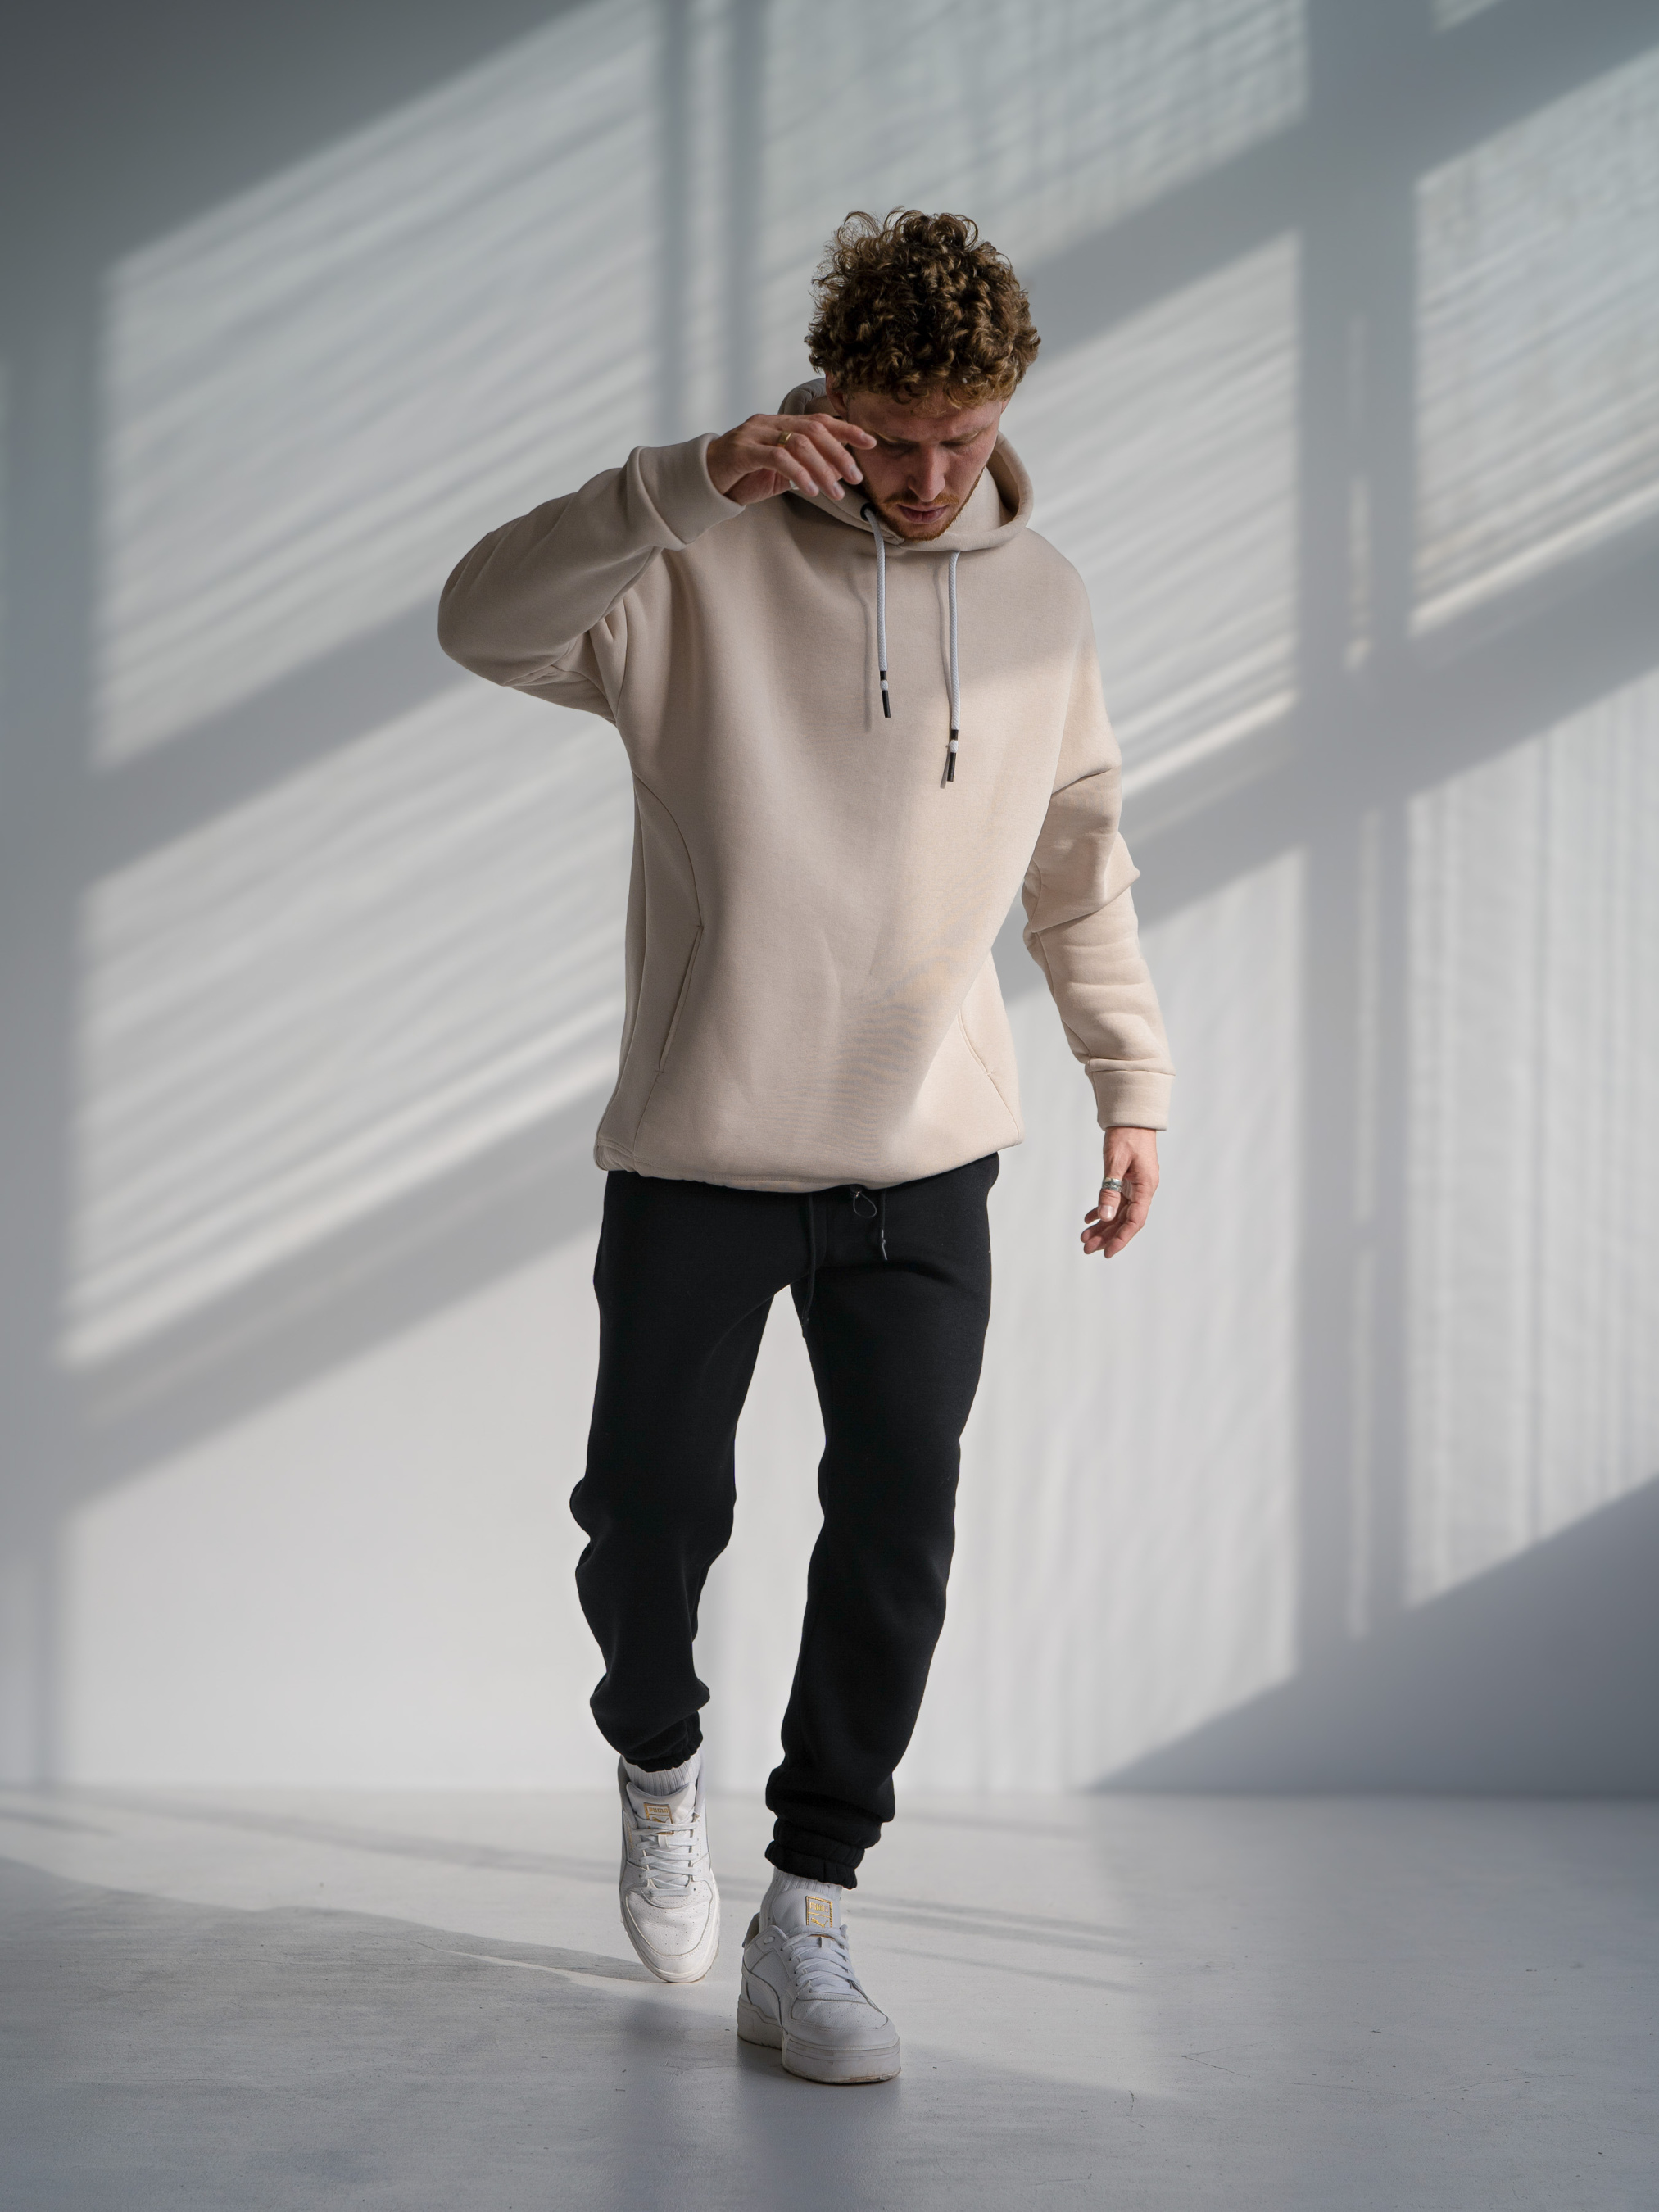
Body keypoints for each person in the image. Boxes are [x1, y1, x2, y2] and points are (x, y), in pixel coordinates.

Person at [437, 208, 1173, 2086]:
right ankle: (656, 1771)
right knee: (646, 1517)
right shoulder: (692, 561)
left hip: (925, 1159)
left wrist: (1130, 1082)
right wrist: (683, 482)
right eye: (895, 436)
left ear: (1002, 407)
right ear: (833, 396)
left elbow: (1077, 859)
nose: (929, 479)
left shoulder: (1042, 595)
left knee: (897, 1530)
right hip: (703, 1145)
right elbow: (479, 621)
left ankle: (812, 1911)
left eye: (963, 437)